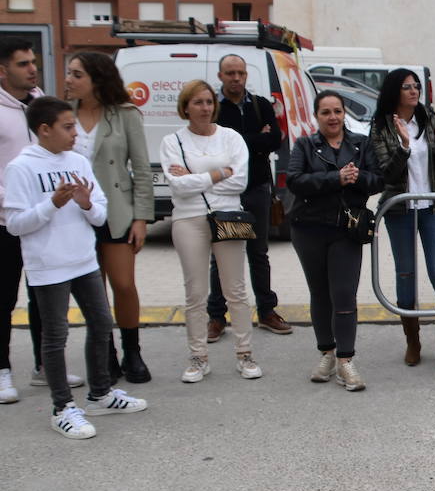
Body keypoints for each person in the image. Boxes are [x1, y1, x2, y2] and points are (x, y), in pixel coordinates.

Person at [4, 97, 148, 438]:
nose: (75, 134)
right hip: (48, 266)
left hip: (83, 260)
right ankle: (62, 407)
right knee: (55, 337)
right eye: (67, 127)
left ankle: (100, 393)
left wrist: (84, 204)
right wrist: (51, 204)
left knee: (100, 323)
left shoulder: (78, 161)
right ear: (44, 130)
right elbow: (14, 225)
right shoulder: (21, 167)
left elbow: (99, 214)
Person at [160, 79, 263, 383]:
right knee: (195, 293)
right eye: (197, 103)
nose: (204, 108)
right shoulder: (172, 141)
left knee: (236, 290)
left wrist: (195, 176)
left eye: (208, 102)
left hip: (227, 214)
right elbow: (177, 185)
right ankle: (198, 356)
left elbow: (239, 182)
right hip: (189, 219)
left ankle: (245, 354)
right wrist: (218, 173)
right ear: (185, 107)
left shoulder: (231, 138)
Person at [64, 52, 155, 384]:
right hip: (74, 215)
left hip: (117, 212)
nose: (68, 80)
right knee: (93, 292)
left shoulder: (126, 114)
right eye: (69, 74)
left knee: (123, 284)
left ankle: (133, 351)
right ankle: (106, 354)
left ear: (97, 79)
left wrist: (141, 218)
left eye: (76, 74)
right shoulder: (64, 115)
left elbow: (141, 170)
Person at [286, 91, 384, 392]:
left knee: (343, 293)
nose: (332, 117)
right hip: (309, 228)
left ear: (344, 114)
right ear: (317, 117)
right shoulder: (304, 144)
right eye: (326, 112)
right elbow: (294, 180)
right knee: (319, 293)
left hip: (347, 229)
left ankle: (346, 360)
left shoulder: (361, 143)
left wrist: (355, 178)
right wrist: (335, 179)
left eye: (337, 111)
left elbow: (379, 179)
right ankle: (326, 353)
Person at [0, 37, 77, 404]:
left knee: (43, 295)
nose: (32, 68)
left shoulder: (40, 105)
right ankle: (2, 370)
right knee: (3, 298)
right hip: (6, 222)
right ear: (2, 70)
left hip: (46, 219)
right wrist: (16, 202)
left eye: (32, 62)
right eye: (22, 64)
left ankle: (44, 367)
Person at [371, 67, 435, 372]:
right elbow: (389, 174)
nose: (414, 91)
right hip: (400, 211)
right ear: (395, 91)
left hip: (433, 208)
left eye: (416, 86)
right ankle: (413, 340)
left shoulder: (428, 118)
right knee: (405, 275)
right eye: (407, 86)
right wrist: (405, 147)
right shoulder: (381, 126)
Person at [206, 53, 292, 342]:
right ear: (221, 76)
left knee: (259, 253)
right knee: (222, 255)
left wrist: (242, 140)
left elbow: (275, 139)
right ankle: (216, 317)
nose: (236, 78)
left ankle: (267, 311)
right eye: (230, 73)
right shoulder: (214, 108)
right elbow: (216, 147)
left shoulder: (260, 105)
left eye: (240, 73)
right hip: (226, 192)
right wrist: (254, 139)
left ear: (246, 75)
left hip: (256, 189)